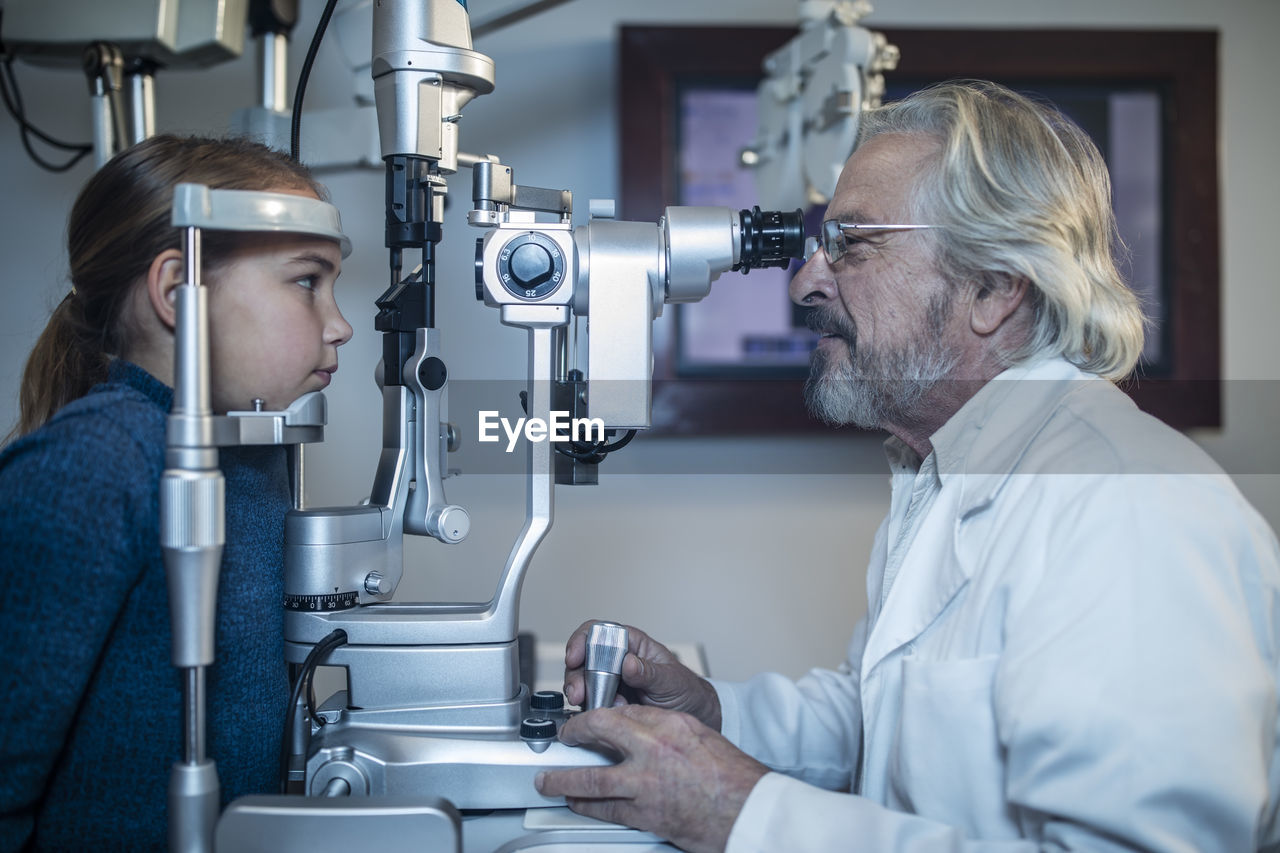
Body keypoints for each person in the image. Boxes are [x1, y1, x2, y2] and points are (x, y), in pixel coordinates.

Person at [536, 80, 1280, 852]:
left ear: (992, 287)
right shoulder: (946, 469)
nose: (806, 281)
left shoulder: (1126, 509)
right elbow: (883, 721)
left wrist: (743, 813)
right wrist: (709, 713)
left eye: (853, 243)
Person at [0, 135, 353, 850]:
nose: (340, 324)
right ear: (176, 290)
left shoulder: (254, 456)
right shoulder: (90, 465)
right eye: (307, 281)